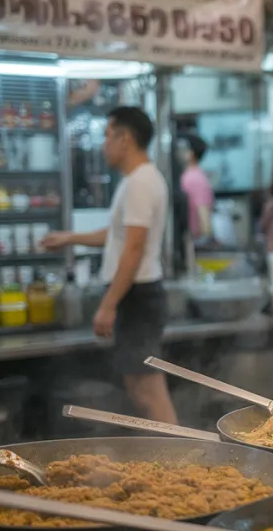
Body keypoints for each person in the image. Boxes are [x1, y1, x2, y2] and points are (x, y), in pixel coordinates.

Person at [42, 107, 176, 423]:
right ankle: (171, 460)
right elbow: (119, 236)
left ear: (125, 139)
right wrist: (70, 238)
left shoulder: (140, 183)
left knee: (148, 391)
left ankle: (184, 462)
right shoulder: (138, 180)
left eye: (107, 136)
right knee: (141, 390)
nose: (103, 145)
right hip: (138, 295)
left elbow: (133, 248)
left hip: (137, 297)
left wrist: (109, 304)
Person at [179, 134, 214, 243]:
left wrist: (203, 241)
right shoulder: (192, 175)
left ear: (191, 153)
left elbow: (203, 212)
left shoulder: (193, 178)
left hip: (193, 240)